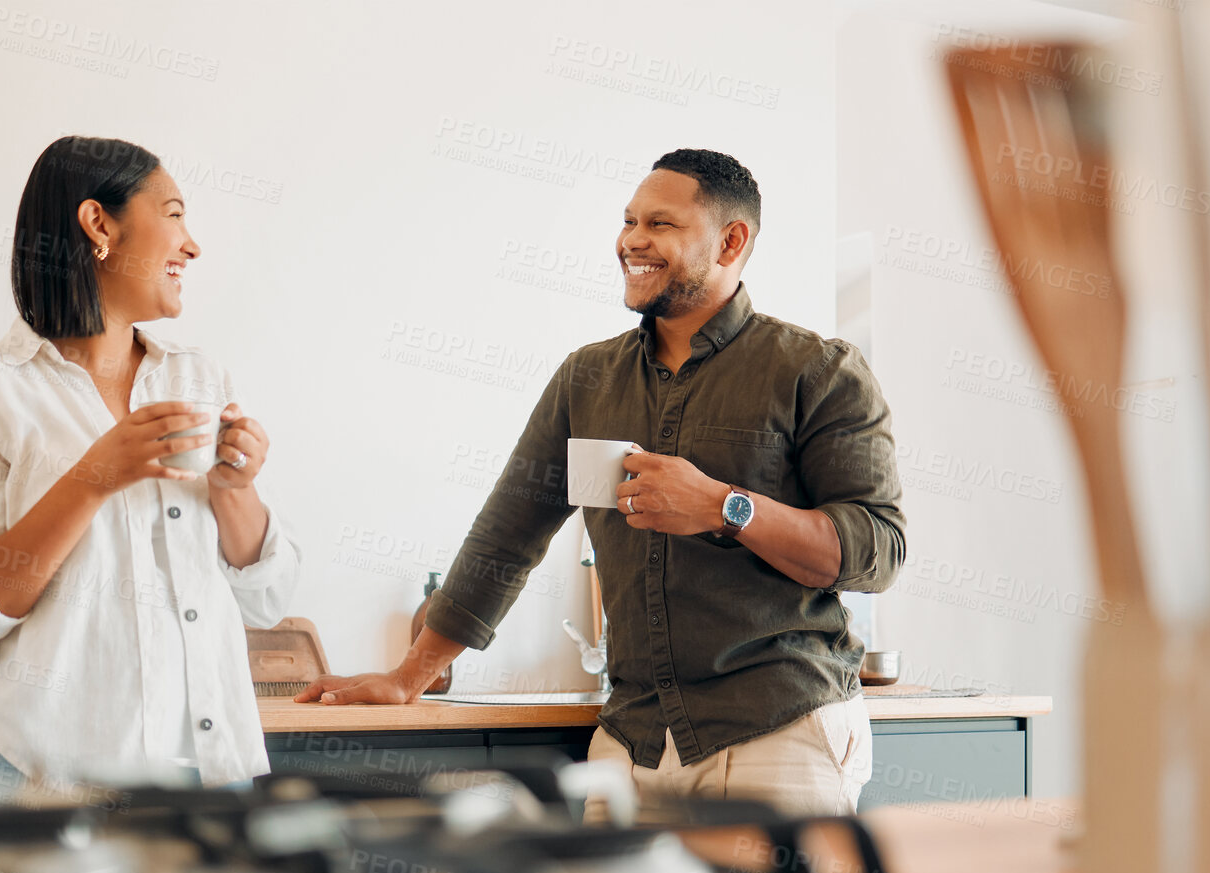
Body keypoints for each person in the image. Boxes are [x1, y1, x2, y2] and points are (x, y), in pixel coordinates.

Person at [296, 148, 904, 816]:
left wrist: (723, 506)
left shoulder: (818, 371)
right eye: (629, 221)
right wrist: (407, 677)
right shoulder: (586, 378)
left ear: (732, 241)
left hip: (779, 732)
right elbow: (507, 535)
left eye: (661, 224)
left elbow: (875, 551)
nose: (632, 240)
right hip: (631, 742)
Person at [0, 135, 299, 790]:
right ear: (98, 225)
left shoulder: (199, 377)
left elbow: (265, 602)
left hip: (209, 778)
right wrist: (92, 478)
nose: (192, 244)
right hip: (30, 777)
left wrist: (236, 490)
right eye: (173, 214)